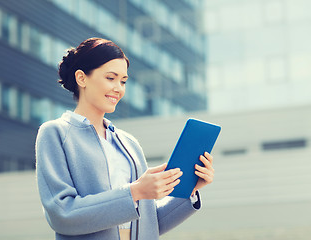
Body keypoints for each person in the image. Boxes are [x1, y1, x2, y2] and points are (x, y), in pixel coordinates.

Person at [35, 37, 215, 240]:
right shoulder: (55, 133)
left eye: (123, 81)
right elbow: (62, 214)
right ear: (81, 78)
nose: (119, 89)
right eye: (110, 78)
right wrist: (135, 191)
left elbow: (149, 224)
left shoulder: (129, 143)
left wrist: (189, 190)